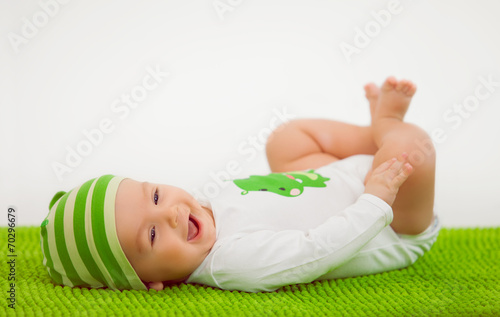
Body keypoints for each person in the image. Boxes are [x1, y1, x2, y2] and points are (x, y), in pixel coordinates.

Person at [40, 77, 440, 292]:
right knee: (414, 149)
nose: (173, 214)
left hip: (344, 177)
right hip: (394, 223)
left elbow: (284, 188)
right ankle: (387, 127)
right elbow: (316, 251)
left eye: (156, 196)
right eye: (152, 233)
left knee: (285, 140)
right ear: (149, 282)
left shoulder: (208, 209)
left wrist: (357, 176)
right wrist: (376, 199)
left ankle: (376, 136)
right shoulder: (234, 262)